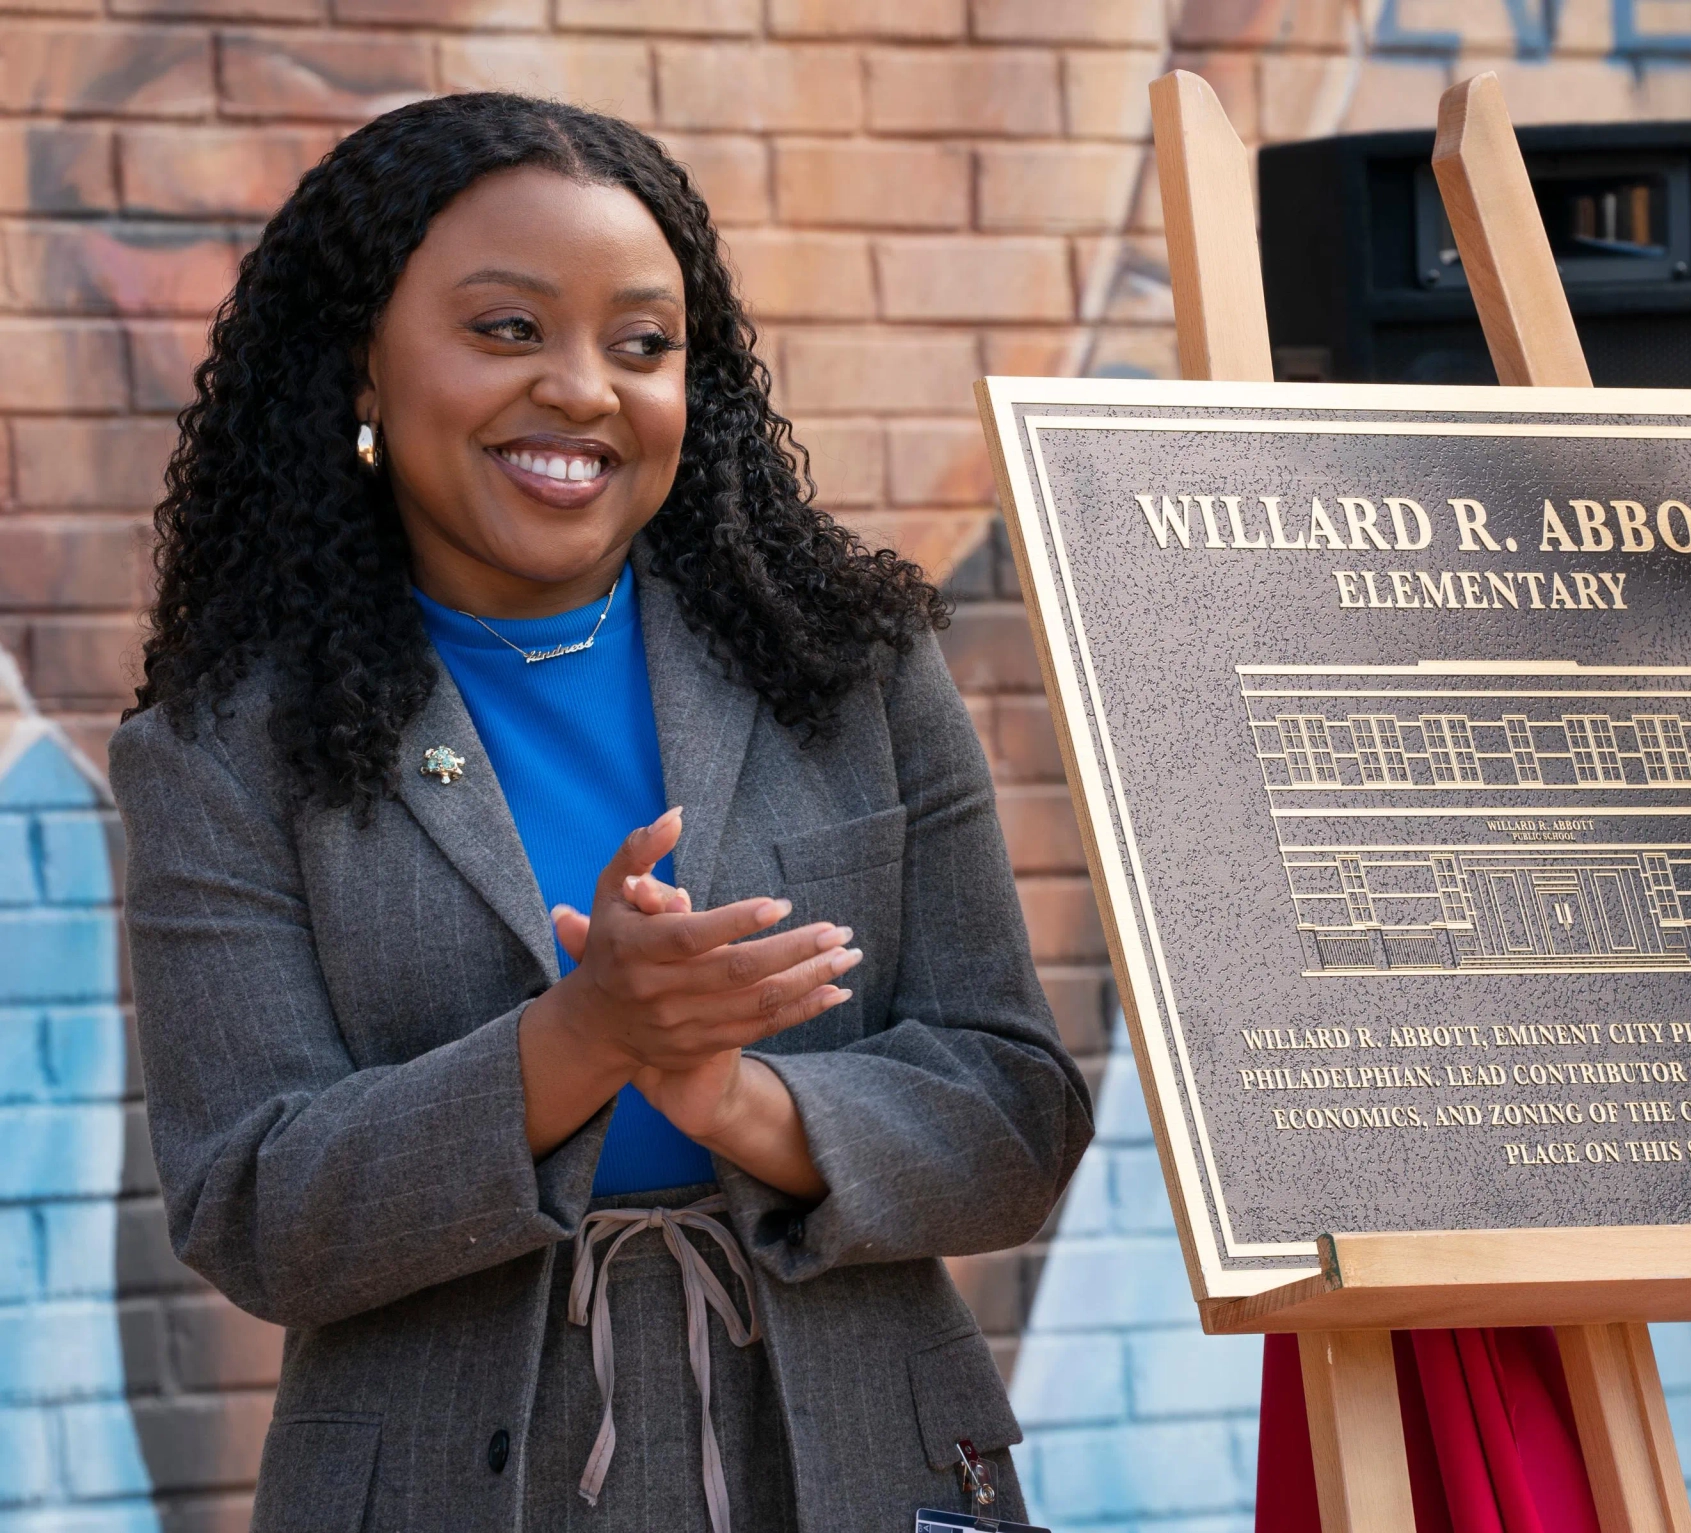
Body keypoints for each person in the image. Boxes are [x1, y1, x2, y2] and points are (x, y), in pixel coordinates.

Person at [110, 92, 1093, 1533]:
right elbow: (255, 1209)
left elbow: (1018, 1113)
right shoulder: (221, 750)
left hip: (867, 1467)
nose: (583, 388)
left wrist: (738, 1100)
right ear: (361, 370)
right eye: (507, 330)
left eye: (642, 345)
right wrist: (582, 1045)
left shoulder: (846, 669)